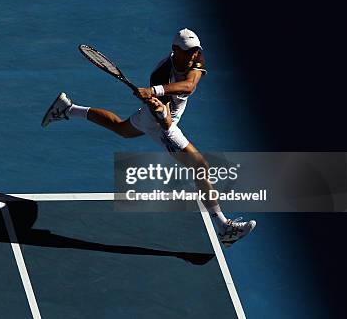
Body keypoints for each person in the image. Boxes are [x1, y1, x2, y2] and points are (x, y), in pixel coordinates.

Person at [41, 28, 255, 247]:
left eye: (195, 51)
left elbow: (190, 85)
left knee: (121, 128)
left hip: (159, 111)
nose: (193, 55)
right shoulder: (161, 73)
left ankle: (68, 109)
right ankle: (223, 227)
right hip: (160, 123)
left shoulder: (195, 60)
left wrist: (154, 92)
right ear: (175, 50)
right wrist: (160, 110)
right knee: (199, 166)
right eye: (188, 51)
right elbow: (164, 121)